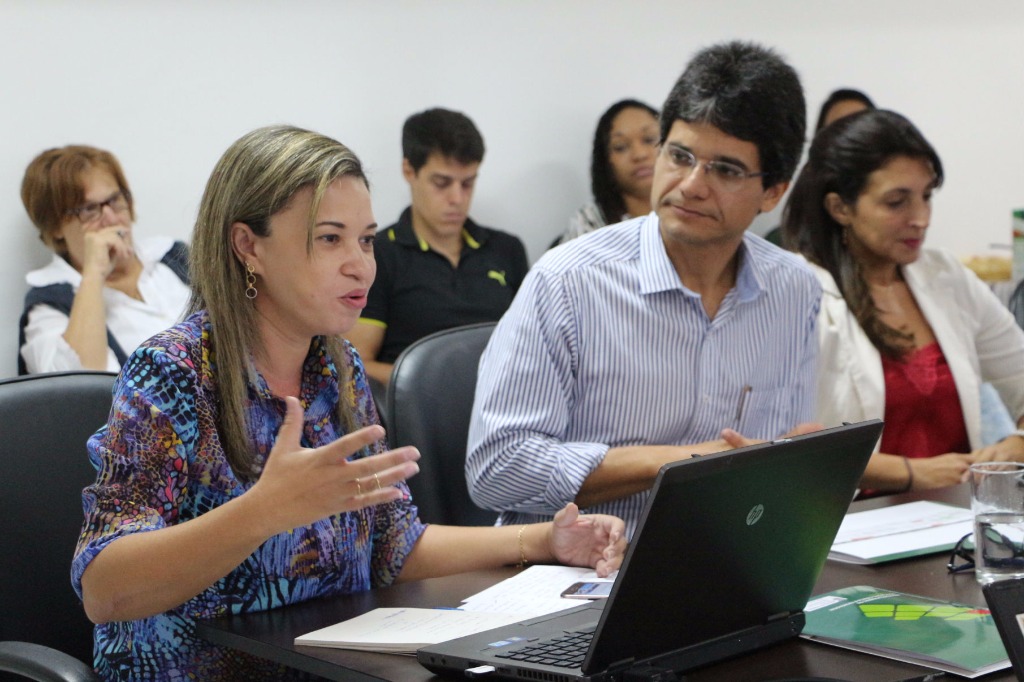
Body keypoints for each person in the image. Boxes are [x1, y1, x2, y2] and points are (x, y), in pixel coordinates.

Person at [71, 125, 626, 681]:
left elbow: (394, 544)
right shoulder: (174, 372)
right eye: (329, 239)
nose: (361, 265)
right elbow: (105, 589)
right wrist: (262, 512)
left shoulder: (339, 368)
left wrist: (544, 540)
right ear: (248, 246)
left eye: (366, 240)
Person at [466, 41, 822, 537]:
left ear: (774, 192)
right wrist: (682, 463)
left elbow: (777, 455)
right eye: (679, 155)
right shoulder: (568, 281)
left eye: (725, 170)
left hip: (728, 562)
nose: (692, 184)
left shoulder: (795, 290)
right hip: (578, 581)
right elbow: (496, 469)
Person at [781, 109, 1024, 494]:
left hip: (955, 519)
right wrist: (909, 473)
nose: (921, 218)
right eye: (897, 202)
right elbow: (784, 444)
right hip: (849, 530)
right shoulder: (796, 290)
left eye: (926, 196)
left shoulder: (945, 275)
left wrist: (1017, 443)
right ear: (839, 207)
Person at [347, 108, 529, 387]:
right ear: (409, 170)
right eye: (442, 183)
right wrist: (445, 386)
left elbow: (532, 347)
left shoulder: (507, 249)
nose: (457, 198)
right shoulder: (377, 255)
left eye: (468, 183)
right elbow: (358, 363)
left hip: (505, 404)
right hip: (422, 415)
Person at [18, 145, 190, 375]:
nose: (110, 219)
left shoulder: (174, 257)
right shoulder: (50, 305)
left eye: (115, 200)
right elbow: (78, 391)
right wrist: (94, 273)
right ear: (56, 226)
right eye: (89, 209)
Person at [762, 88, 876, 247]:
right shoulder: (783, 243)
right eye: (840, 131)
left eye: (861, 133)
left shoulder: (892, 242)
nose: (851, 145)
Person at [556, 99, 659, 245]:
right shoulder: (589, 222)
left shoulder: (695, 207)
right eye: (620, 147)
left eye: (649, 140)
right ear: (605, 160)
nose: (639, 154)